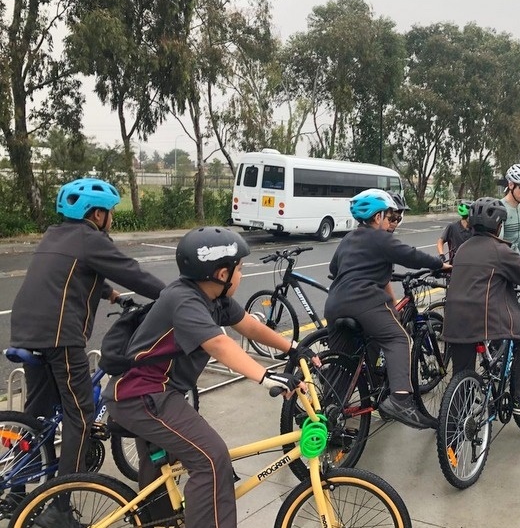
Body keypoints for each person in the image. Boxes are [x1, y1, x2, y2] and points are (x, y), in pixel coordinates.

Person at [104, 227, 316, 528]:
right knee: (212, 460)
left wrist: (295, 348)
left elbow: (249, 326)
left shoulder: (214, 298)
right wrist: (266, 376)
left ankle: (160, 521)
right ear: (220, 273)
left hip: (156, 394)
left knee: (165, 464)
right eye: (239, 268)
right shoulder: (185, 300)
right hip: (144, 395)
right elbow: (219, 344)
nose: (241, 275)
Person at [8, 178, 165, 503]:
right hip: (59, 337)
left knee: (36, 416)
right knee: (80, 414)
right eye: (109, 212)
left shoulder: (55, 234)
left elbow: (66, 272)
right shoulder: (92, 240)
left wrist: (108, 293)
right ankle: (60, 506)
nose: (112, 219)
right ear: (96, 215)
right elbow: (134, 274)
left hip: (26, 330)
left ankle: (17, 490)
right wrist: (176, 296)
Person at [325, 189, 449, 430]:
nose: (394, 222)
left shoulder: (349, 239)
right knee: (398, 338)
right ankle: (400, 400)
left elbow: (334, 269)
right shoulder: (381, 239)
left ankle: (329, 411)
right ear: (378, 216)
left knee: (344, 363)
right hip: (364, 302)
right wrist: (440, 264)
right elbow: (411, 255)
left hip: (335, 304)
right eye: (391, 216)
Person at [442, 197, 520, 414]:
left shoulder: (463, 248)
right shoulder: (501, 251)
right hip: (485, 319)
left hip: (454, 319)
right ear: (499, 226)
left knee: (461, 375)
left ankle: (454, 425)